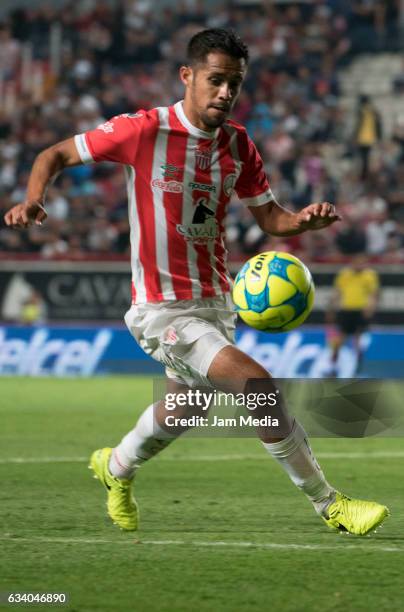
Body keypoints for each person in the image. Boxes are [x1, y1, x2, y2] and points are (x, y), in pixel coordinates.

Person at [4, 29, 388, 536]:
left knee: (188, 406)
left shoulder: (238, 144)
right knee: (260, 388)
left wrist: (303, 222)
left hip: (215, 304)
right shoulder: (142, 131)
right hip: (161, 309)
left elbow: (270, 218)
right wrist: (33, 199)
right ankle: (329, 504)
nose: (226, 93)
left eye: (235, 83)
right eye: (216, 80)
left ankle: (115, 466)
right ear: (187, 76)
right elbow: (52, 155)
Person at [328, 254, 380, 376]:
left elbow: (373, 294)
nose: (359, 265)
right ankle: (333, 366)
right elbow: (337, 292)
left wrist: (370, 308)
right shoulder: (344, 274)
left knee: (357, 339)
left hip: (360, 310)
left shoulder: (369, 275)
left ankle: (357, 366)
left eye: (362, 262)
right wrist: (331, 308)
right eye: (357, 262)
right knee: (339, 339)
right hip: (346, 310)